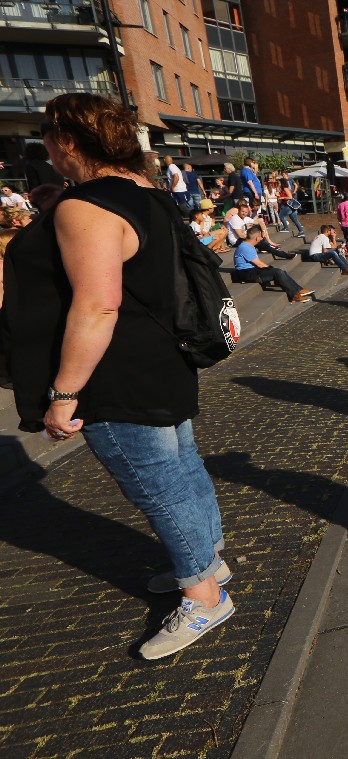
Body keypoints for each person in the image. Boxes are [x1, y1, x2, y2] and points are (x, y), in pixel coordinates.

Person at [4, 93, 233, 659]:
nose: (45, 149)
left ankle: (204, 596)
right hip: (163, 359)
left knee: (157, 487)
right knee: (182, 469)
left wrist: (64, 394)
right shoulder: (143, 193)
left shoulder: (86, 208)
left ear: (67, 141)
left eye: (47, 139)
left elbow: (98, 305)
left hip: (115, 373)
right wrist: (61, 204)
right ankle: (207, 561)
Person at [232, 225, 313, 302]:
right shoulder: (245, 247)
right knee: (277, 272)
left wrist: (270, 268)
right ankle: (294, 295)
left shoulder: (248, 245)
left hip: (251, 270)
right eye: (261, 237)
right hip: (246, 274)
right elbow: (259, 264)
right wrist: (271, 268)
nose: (262, 238)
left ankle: (299, 290)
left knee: (280, 271)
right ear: (256, 238)